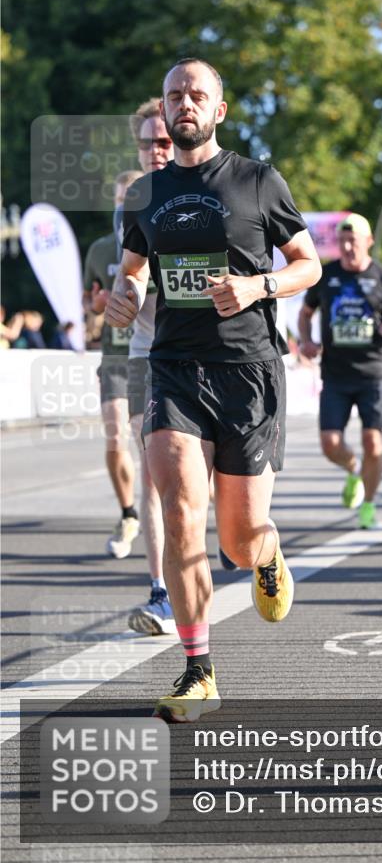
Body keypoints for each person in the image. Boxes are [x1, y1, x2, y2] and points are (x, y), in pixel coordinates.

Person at [106, 57, 320, 722]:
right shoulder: (147, 193)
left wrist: (257, 286)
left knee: (236, 537)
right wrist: (124, 292)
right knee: (175, 508)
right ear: (165, 112)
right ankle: (198, 669)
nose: (185, 103)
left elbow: (308, 264)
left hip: (248, 370)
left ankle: (266, 549)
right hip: (174, 367)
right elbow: (135, 267)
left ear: (219, 111)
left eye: (197, 94)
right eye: (175, 95)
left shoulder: (258, 180)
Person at [297, 213, 382, 530]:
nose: (348, 247)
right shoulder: (326, 275)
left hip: (373, 372)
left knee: (373, 441)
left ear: (368, 242)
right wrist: (306, 341)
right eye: (343, 241)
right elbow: (306, 313)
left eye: (355, 241)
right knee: (330, 444)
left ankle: (370, 504)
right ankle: (354, 469)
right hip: (335, 373)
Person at [123, 102, 177, 636]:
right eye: (148, 144)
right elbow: (131, 274)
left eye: (163, 141)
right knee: (153, 470)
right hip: (149, 353)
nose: (157, 151)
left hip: (209, 354)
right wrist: (122, 294)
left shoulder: (209, 191)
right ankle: (160, 592)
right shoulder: (134, 204)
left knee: (200, 478)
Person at [83, 193, 139, 559]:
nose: (124, 207)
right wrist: (98, 306)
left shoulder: (163, 237)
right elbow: (88, 304)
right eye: (120, 199)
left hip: (156, 356)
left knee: (163, 451)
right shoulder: (100, 250)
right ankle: (128, 513)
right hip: (116, 357)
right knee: (116, 434)